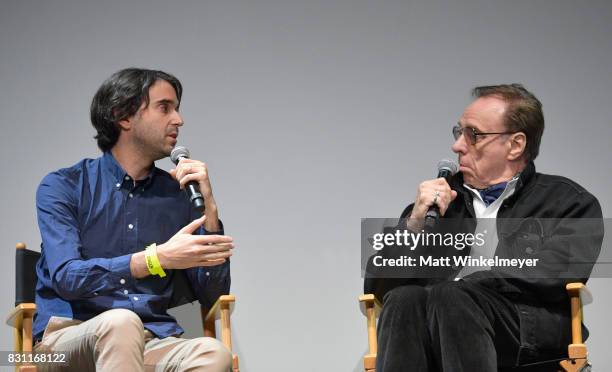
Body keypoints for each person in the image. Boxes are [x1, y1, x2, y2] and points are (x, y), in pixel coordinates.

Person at [364, 84, 604, 371]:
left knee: (452, 295)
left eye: (473, 134)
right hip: (439, 321)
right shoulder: (436, 206)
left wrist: (473, 284)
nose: (457, 146)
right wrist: (413, 225)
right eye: (458, 132)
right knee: (405, 298)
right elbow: (377, 287)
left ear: (515, 145)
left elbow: (556, 270)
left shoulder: (567, 202)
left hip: (523, 329)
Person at [33, 68, 234, 372]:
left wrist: (209, 206)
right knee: (121, 323)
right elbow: (67, 277)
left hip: (151, 339)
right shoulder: (64, 186)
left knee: (211, 353)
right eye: (164, 107)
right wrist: (154, 259)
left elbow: (211, 295)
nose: (179, 119)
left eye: (177, 108)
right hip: (65, 341)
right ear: (123, 117)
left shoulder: (178, 194)